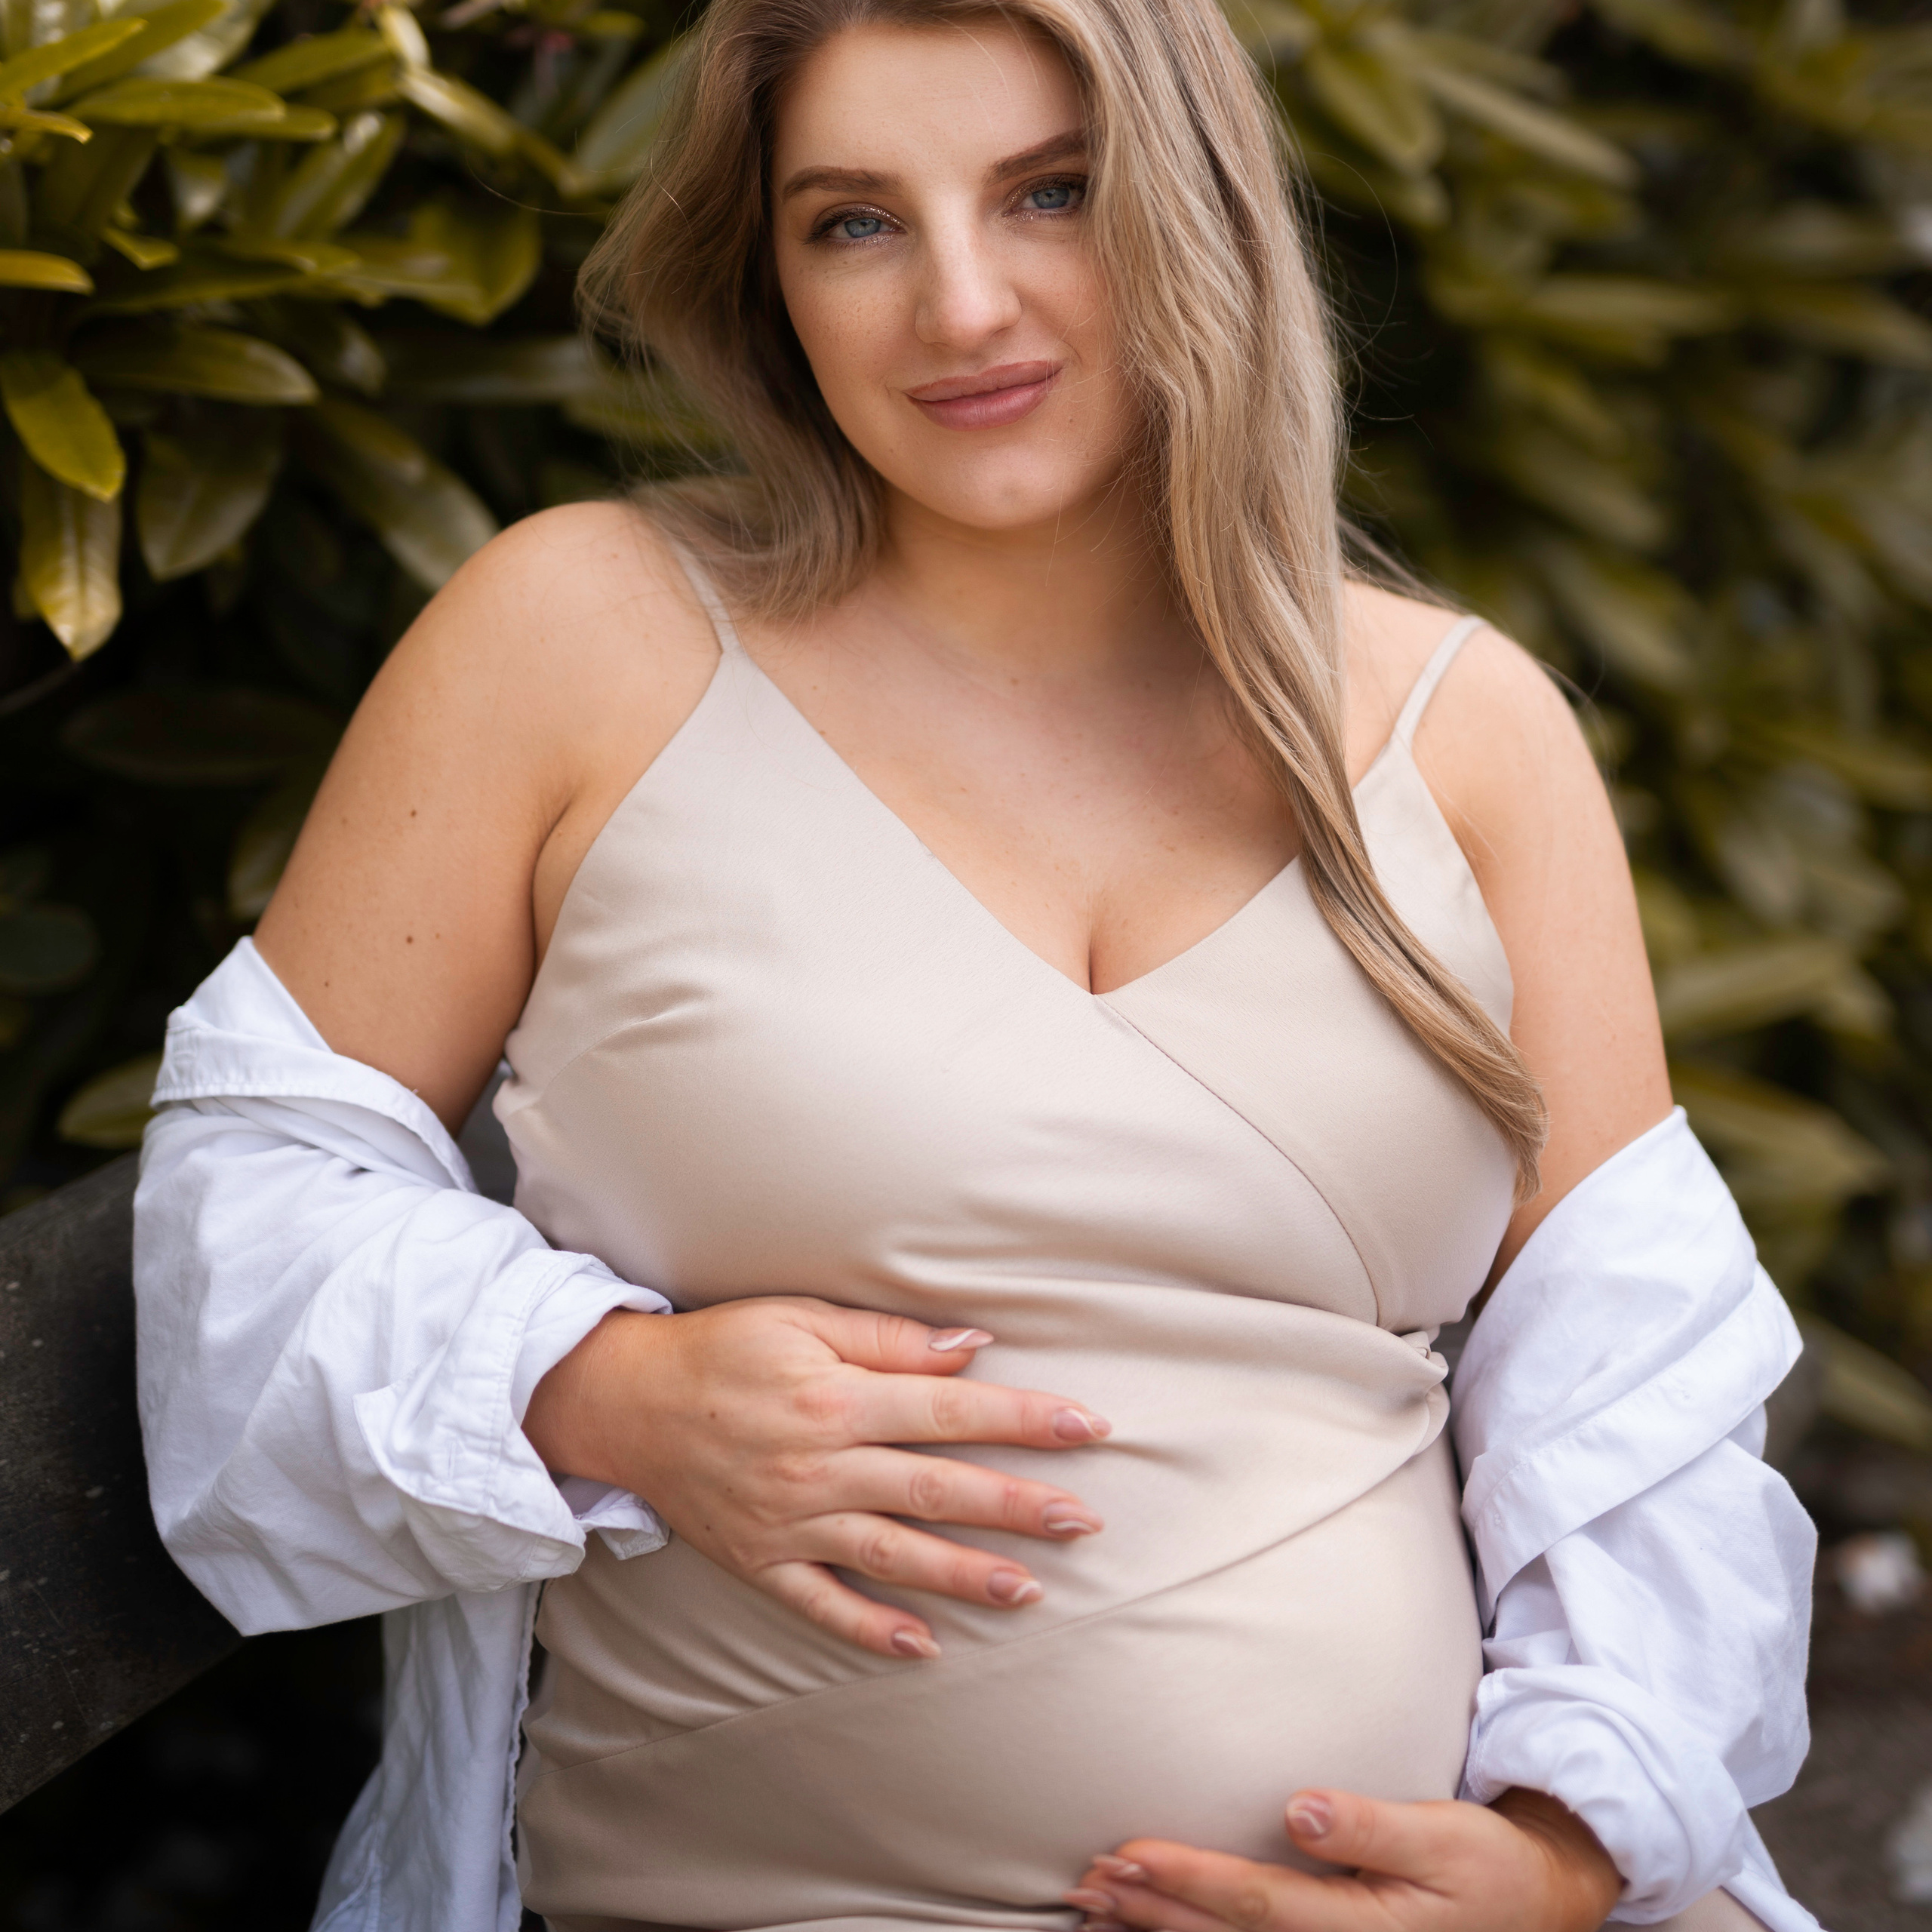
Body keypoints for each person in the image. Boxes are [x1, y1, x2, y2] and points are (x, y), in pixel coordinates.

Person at [131, 2, 1820, 1930]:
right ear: (765, 277)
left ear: (1196, 206)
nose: (958, 305)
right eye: (853, 221)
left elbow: (1637, 1392)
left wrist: (1555, 1857)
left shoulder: (1466, 732)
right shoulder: (581, 636)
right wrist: (598, 1386)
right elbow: (244, 1212)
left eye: (1050, 193)